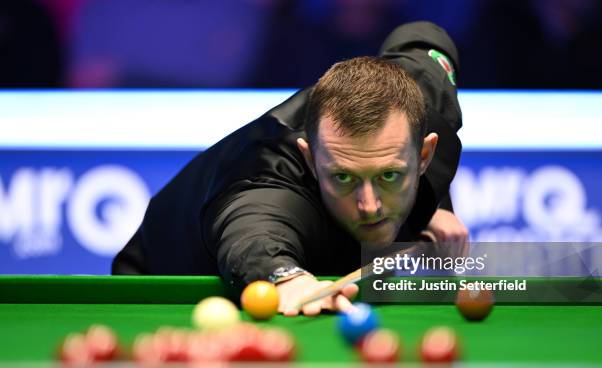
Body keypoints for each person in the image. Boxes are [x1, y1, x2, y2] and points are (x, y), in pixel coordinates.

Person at [112, 21, 467, 316]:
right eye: (344, 177)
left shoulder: (426, 97)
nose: (370, 205)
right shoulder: (270, 182)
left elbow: (421, 35)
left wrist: (434, 206)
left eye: (389, 175)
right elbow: (251, 231)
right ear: (311, 159)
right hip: (166, 284)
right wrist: (286, 279)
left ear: (423, 156)